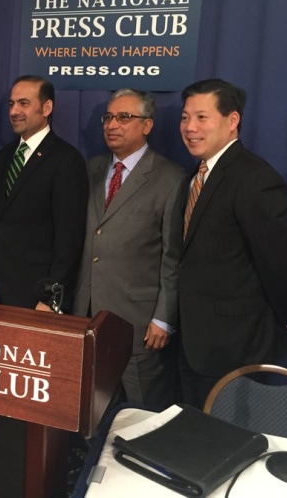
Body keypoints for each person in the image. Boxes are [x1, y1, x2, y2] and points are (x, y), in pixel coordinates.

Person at [177, 78, 287, 408]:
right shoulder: (195, 177)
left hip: (235, 347)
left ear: (232, 121)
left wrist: (279, 316)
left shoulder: (254, 178)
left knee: (225, 447)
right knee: (194, 443)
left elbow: (283, 265)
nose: (190, 127)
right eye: (185, 117)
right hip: (192, 345)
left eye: (202, 117)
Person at [73, 88, 185, 410]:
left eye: (124, 117)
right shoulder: (91, 168)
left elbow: (173, 256)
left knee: (142, 412)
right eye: (108, 117)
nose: (112, 125)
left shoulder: (170, 178)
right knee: (91, 410)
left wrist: (164, 318)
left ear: (147, 125)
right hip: (88, 317)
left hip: (138, 323)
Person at [0, 75, 87, 312]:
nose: (14, 111)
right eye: (11, 104)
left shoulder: (66, 160)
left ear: (46, 108)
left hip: (37, 293)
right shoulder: (3, 158)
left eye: (23, 103)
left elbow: (69, 238)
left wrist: (51, 296)